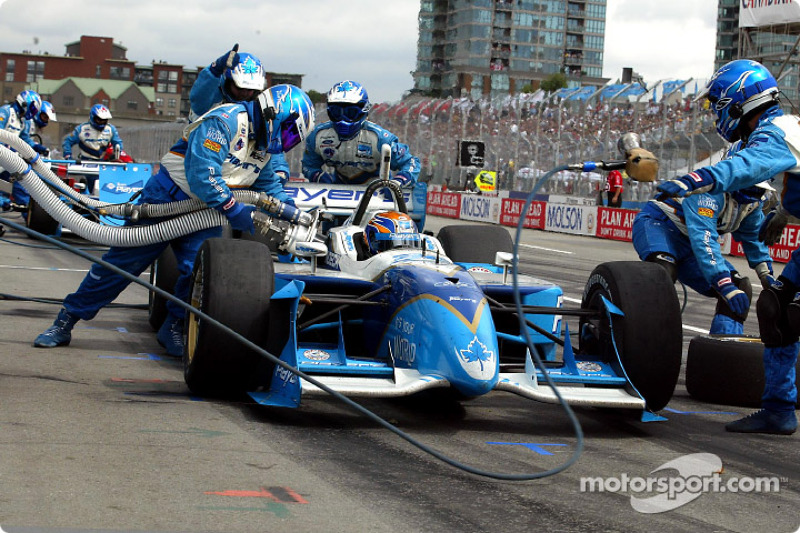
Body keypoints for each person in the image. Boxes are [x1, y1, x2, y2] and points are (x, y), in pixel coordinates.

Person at [34, 84, 315, 357]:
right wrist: (234, 210)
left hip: (207, 212)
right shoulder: (225, 121)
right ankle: (66, 319)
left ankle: (174, 326)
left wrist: (287, 209)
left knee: (204, 275)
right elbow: (202, 175)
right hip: (167, 200)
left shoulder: (266, 144)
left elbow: (268, 184)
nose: (288, 140)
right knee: (121, 265)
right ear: (273, 113)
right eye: (289, 130)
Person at [655, 59, 800, 435]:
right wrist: (785, 211)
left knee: (787, 311)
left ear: (737, 101)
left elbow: (749, 166)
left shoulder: (777, 129)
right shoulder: (783, 129)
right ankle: (779, 410)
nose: (716, 111)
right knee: (777, 310)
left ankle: (780, 409)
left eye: (717, 102)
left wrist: (695, 179)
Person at [632, 176, 775, 335]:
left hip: (691, 241)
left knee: (739, 285)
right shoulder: (709, 190)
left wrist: (765, 272)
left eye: (758, 188)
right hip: (660, 225)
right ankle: (639, 333)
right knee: (662, 273)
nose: (753, 192)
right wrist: (722, 282)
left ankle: (723, 345)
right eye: (750, 186)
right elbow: (703, 238)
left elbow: (753, 236)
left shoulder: (753, 203)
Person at [189, 45, 290, 183]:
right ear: (228, 81)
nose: (244, 93)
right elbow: (198, 98)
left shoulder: (256, 110)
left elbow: (269, 138)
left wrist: (279, 170)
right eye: (240, 87)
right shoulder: (210, 101)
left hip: (234, 174)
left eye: (250, 89)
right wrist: (214, 70)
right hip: (200, 170)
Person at [302, 80, 420, 188]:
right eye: (336, 112)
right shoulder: (318, 136)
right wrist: (316, 175)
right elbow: (308, 165)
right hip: (340, 193)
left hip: (377, 196)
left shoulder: (380, 139)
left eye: (350, 113)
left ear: (363, 110)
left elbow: (411, 162)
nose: (343, 120)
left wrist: (398, 182)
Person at [0, 90, 43, 212]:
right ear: (25, 104)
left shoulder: (24, 121)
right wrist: (6, 147)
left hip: (10, 161)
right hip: (2, 157)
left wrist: (36, 147)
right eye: (33, 109)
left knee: (21, 183)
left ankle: (31, 217)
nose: (32, 113)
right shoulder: (6, 112)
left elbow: (24, 140)